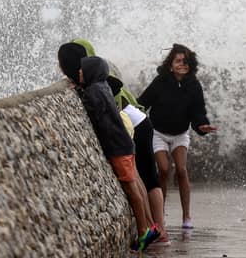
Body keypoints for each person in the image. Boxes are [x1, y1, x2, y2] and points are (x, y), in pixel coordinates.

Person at [58, 40, 170, 245]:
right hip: (131, 134)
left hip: (129, 135)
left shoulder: (95, 91)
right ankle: (154, 228)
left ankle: (150, 231)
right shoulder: (103, 84)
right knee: (141, 181)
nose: (80, 72)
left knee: (139, 183)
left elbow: (97, 112)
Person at [138, 43, 217, 230]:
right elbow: (142, 103)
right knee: (164, 170)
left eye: (186, 61)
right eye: (178, 61)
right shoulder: (160, 82)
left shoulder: (194, 85)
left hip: (181, 134)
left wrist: (201, 126)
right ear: (171, 64)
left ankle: (187, 216)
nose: (182, 64)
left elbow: (198, 112)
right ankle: (160, 215)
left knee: (181, 170)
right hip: (158, 133)